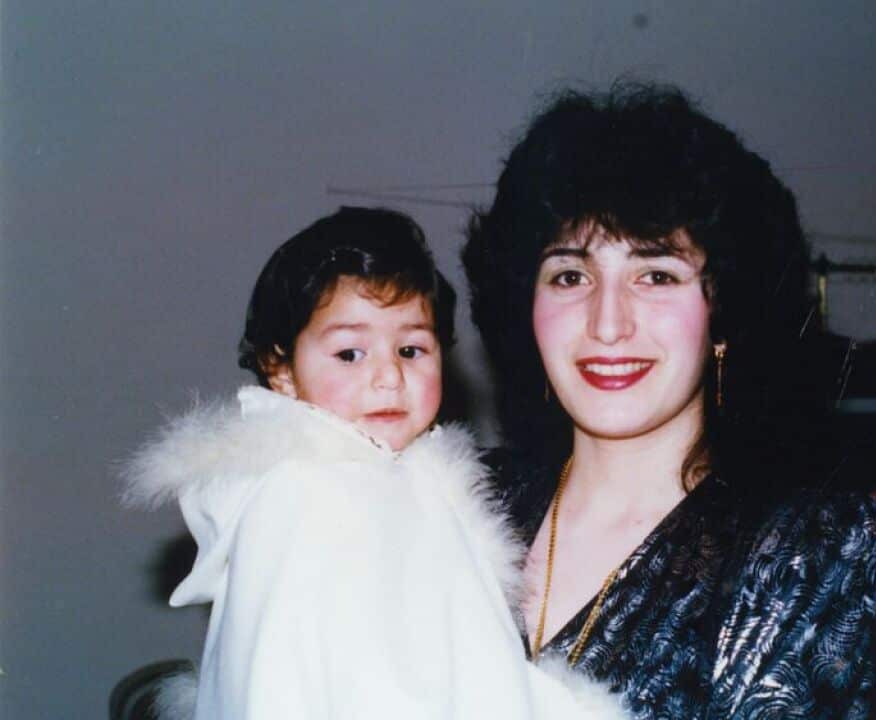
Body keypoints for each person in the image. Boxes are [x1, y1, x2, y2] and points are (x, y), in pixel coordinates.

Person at [463, 83, 876, 718]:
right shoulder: (460, 505)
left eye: (656, 275)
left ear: (724, 312)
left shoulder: (813, 554)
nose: (608, 322)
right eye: (570, 275)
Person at [124, 207, 622, 719]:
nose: (388, 376)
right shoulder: (300, 495)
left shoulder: (415, 484)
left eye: (411, 349)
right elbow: (280, 684)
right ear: (282, 371)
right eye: (349, 354)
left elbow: (477, 662)